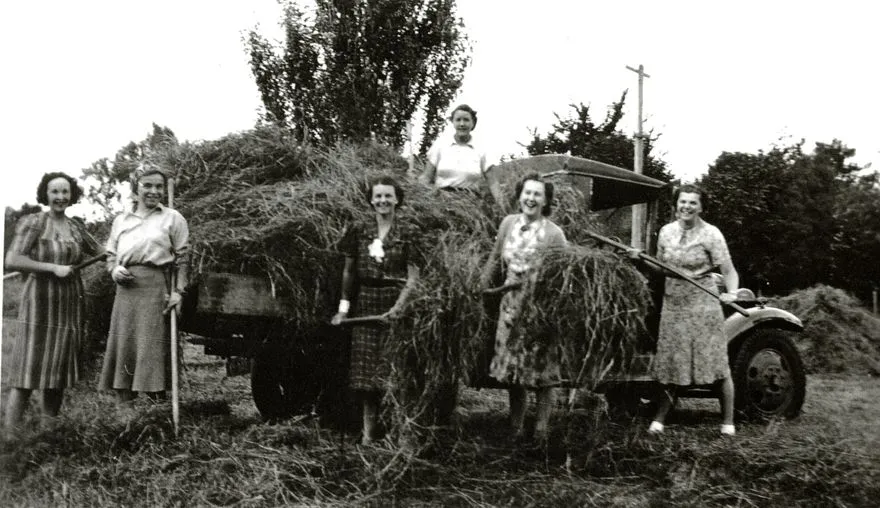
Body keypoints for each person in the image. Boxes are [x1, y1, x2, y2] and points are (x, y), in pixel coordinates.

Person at [629, 184, 740, 436]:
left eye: (692, 202)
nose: (686, 207)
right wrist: (641, 260)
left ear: (701, 207)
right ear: (676, 204)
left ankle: (728, 422)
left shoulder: (712, 234)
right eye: (683, 202)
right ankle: (660, 418)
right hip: (674, 304)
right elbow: (662, 269)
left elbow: (729, 271)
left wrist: (731, 293)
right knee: (672, 362)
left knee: (716, 362)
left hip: (703, 303)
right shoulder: (666, 232)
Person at [3, 172, 103, 436]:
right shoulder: (34, 222)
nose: (60, 197)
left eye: (65, 192)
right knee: (28, 367)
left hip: (69, 302)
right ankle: (10, 437)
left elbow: (103, 252)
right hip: (40, 300)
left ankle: (49, 432)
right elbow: (12, 260)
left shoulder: (77, 227)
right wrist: (52, 267)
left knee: (57, 368)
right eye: (54, 192)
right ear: (45, 195)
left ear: (72, 195)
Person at [331, 175, 421, 444]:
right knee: (366, 377)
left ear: (397, 200)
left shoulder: (409, 232)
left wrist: (399, 307)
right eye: (378, 196)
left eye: (388, 196)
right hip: (366, 303)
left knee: (396, 372)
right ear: (371, 200)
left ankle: (402, 435)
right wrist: (344, 310)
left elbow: (414, 277)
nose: (383, 200)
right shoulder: (358, 229)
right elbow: (348, 272)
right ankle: (369, 436)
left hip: (396, 303)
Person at [480, 173, 567, 442]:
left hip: (540, 307)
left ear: (545, 201)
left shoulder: (554, 234)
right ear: (519, 196)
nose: (531, 198)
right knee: (515, 370)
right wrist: (481, 286)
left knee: (543, 374)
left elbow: (564, 274)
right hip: (510, 305)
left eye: (537, 194)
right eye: (527, 193)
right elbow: (495, 258)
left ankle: (541, 430)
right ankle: (515, 427)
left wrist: (550, 305)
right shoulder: (508, 223)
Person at [99, 164, 189, 415]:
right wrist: (115, 270)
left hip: (156, 290)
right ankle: (123, 418)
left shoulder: (173, 218)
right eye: (147, 185)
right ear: (135, 189)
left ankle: (155, 418)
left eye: (159, 186)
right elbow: (111, 256)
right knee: (124, 350)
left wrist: (178, 292)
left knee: (151, 353)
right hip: (126, 293)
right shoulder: (121, 220)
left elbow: (183, 260)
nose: (153, 191)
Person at [420, 104, 504, 206]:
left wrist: (502, 208)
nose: (462, 124)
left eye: (466, 120)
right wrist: (423, 199)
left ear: (473, 123)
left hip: (470, 203)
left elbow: (493, 183)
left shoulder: (481, 149)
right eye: (458, 120)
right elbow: (426, 177)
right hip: (440, 201)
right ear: (453, 122)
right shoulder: (440, 145)